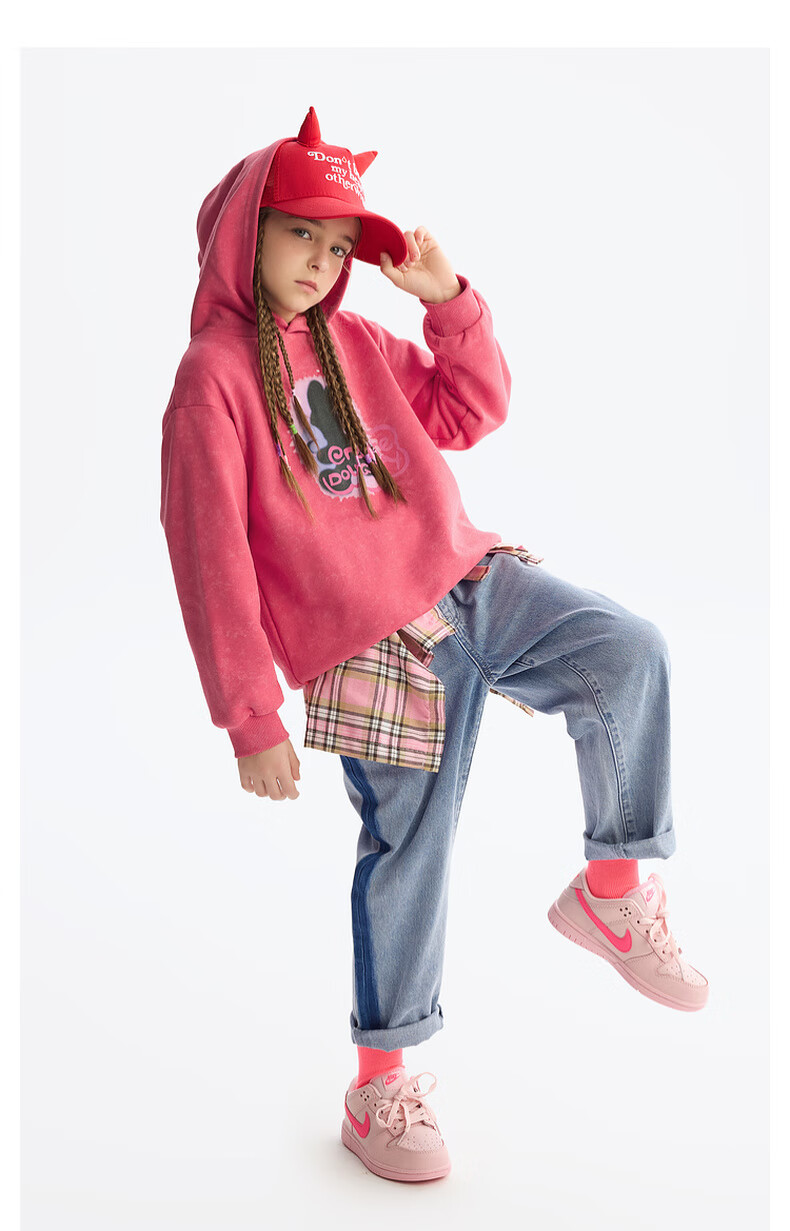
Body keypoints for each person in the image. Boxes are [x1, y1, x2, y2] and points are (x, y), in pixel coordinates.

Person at [159, 106, 708, 1185]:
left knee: (629, 651)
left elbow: (468, 410)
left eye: (337, 245)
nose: (321, 262)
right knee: (411, 845)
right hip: (367, 641)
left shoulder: (357, 341)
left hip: (468, 578)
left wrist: (448, 300)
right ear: (242, 233)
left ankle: (613, 886)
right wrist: (250, 714)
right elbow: (207, 551)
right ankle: (381, 1084)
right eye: (299, 234)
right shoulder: (211, 378)